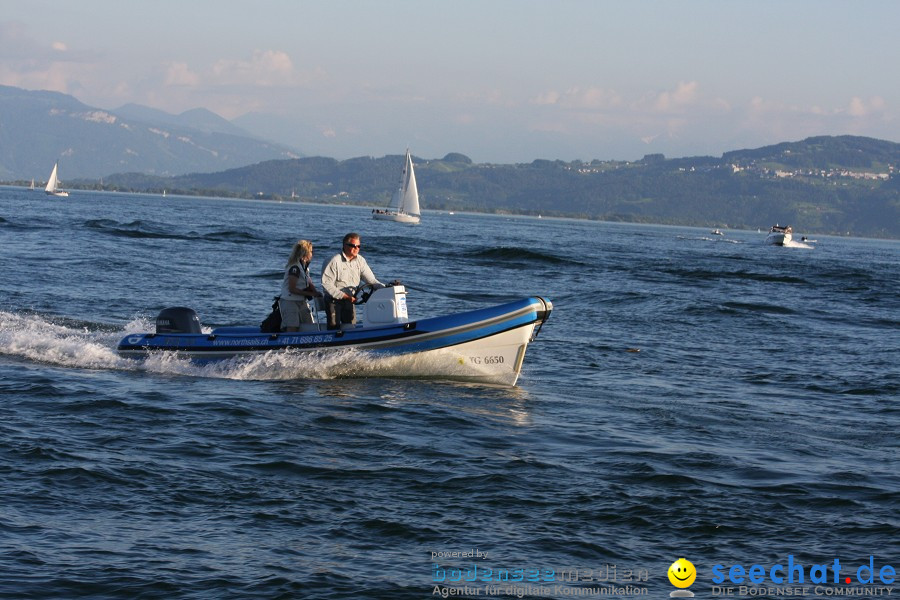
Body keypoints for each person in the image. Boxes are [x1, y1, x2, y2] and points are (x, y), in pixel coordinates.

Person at [321, 232, 384, 329]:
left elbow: (371, 280)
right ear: (344, 245)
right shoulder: (334, 261)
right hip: (333, 300)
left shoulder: (361, 261)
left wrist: (386, 288)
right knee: (334, 328)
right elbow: (327, 285)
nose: (356, 249)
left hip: (350, 300)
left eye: (358, 246)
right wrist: (345, 296)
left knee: (351, 327)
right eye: (353, 246)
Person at [279, 240, 323, 332]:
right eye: (311, 251)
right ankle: (289, 345)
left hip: (301, 300)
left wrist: (315, 292)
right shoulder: (295, 268)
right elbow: (292, 289)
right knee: (292, 326)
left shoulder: (304, 268)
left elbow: (309, 282)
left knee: (309, 324)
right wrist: (309, 293)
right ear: (305, 252)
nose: (312, 254)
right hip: (290, 301)